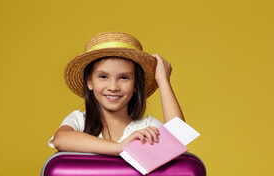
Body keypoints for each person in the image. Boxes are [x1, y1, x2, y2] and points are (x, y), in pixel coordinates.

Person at [48, 32, 184, 156]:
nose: (113, 87)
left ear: (136, 84)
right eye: (103, 76)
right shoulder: (80, 121)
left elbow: (179, 138)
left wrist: (163, 81)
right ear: (89, 82)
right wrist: (120, 147)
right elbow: (60, 139)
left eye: (124, 77)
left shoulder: (146, 129)